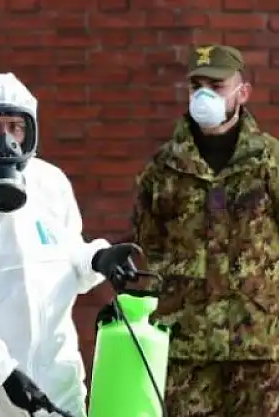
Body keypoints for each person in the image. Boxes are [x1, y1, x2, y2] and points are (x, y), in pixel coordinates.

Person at [0, 72, 140, 417]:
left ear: (30, 132)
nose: (5, 141)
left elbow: (66, 258)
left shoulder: (50, 183)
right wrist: (3, 373)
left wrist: (99, 258)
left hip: (56, 386)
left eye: (15, 128)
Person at [131, 44, 279, 416]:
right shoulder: (164, 168)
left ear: (242, 93)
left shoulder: (270, 161)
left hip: (259, 346)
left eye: (216, 86)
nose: (204, 95)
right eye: (197, 86)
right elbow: (149, 242)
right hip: (186, 347)